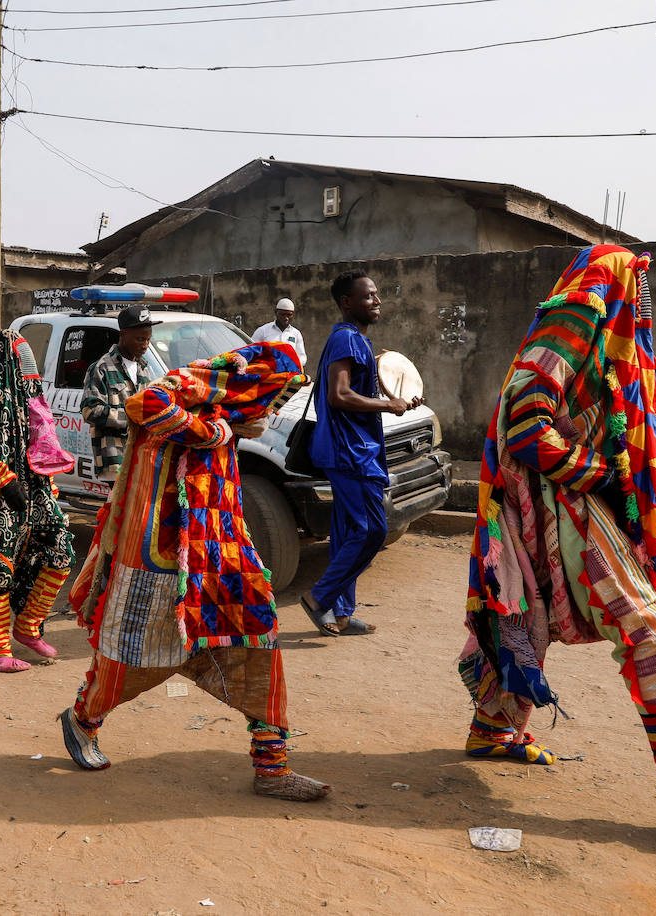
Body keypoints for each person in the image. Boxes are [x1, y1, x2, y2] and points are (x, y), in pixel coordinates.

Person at [458, 245, 656, 837]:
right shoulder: (573, 322)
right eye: (638, 283)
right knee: (649, 635)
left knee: (532, 620)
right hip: (564, 503)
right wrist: (603, 474)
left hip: (552, 505)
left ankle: (492, 729)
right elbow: (528, 426)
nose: (642, 301)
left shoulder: (592, 331)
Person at [60, 341, 329, 801]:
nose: (272, 408)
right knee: (130, 656)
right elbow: (143, 403)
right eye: (275, 394)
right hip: (158, 552)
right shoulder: (198, 382)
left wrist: (235, 426)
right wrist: (215, 431)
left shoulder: (226, 402)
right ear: (257, 382)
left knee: (258, 636)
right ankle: (83, 719)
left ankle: (271, 765)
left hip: (218, 544)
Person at [299, 271, 420, 637]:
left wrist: (401, 400)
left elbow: (358, 389)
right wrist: (388, 404)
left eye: (378, 295)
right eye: (368, 296)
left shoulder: (356, 342)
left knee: (349, 531)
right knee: (372, 530)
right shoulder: (346, 340)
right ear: (347, 302)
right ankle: (320, 598)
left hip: (354, 451)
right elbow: (339, 395)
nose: (377, 301)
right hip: (350, 454)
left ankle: (340, 613)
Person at [0, 331, 76, 672]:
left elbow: (42, 443)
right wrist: (5, 482)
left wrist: (47, 486)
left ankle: (28, 626)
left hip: (35, 491)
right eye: (23, 364)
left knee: (61, 554)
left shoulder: (30, 400)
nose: (30, 373)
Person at [81, 305, 157, 481]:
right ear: (123, 335)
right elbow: (90, 411)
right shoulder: (101, 368)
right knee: (118, 508)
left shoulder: (144, 368)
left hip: (140, 456)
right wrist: (132, 417)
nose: (145, 345)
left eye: (148, 339)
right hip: (114, 459)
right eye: (140, 339)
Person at [251, 297, 307, 367]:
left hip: (289, 374)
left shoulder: (296, 334)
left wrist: (291, 365)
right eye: (282, 314)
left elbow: (302, 357)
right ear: (276, 312)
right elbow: (251, 351)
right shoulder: (262, 331)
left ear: (293, 315)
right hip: (267, 373)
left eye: (289, 315)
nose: (286, 318)